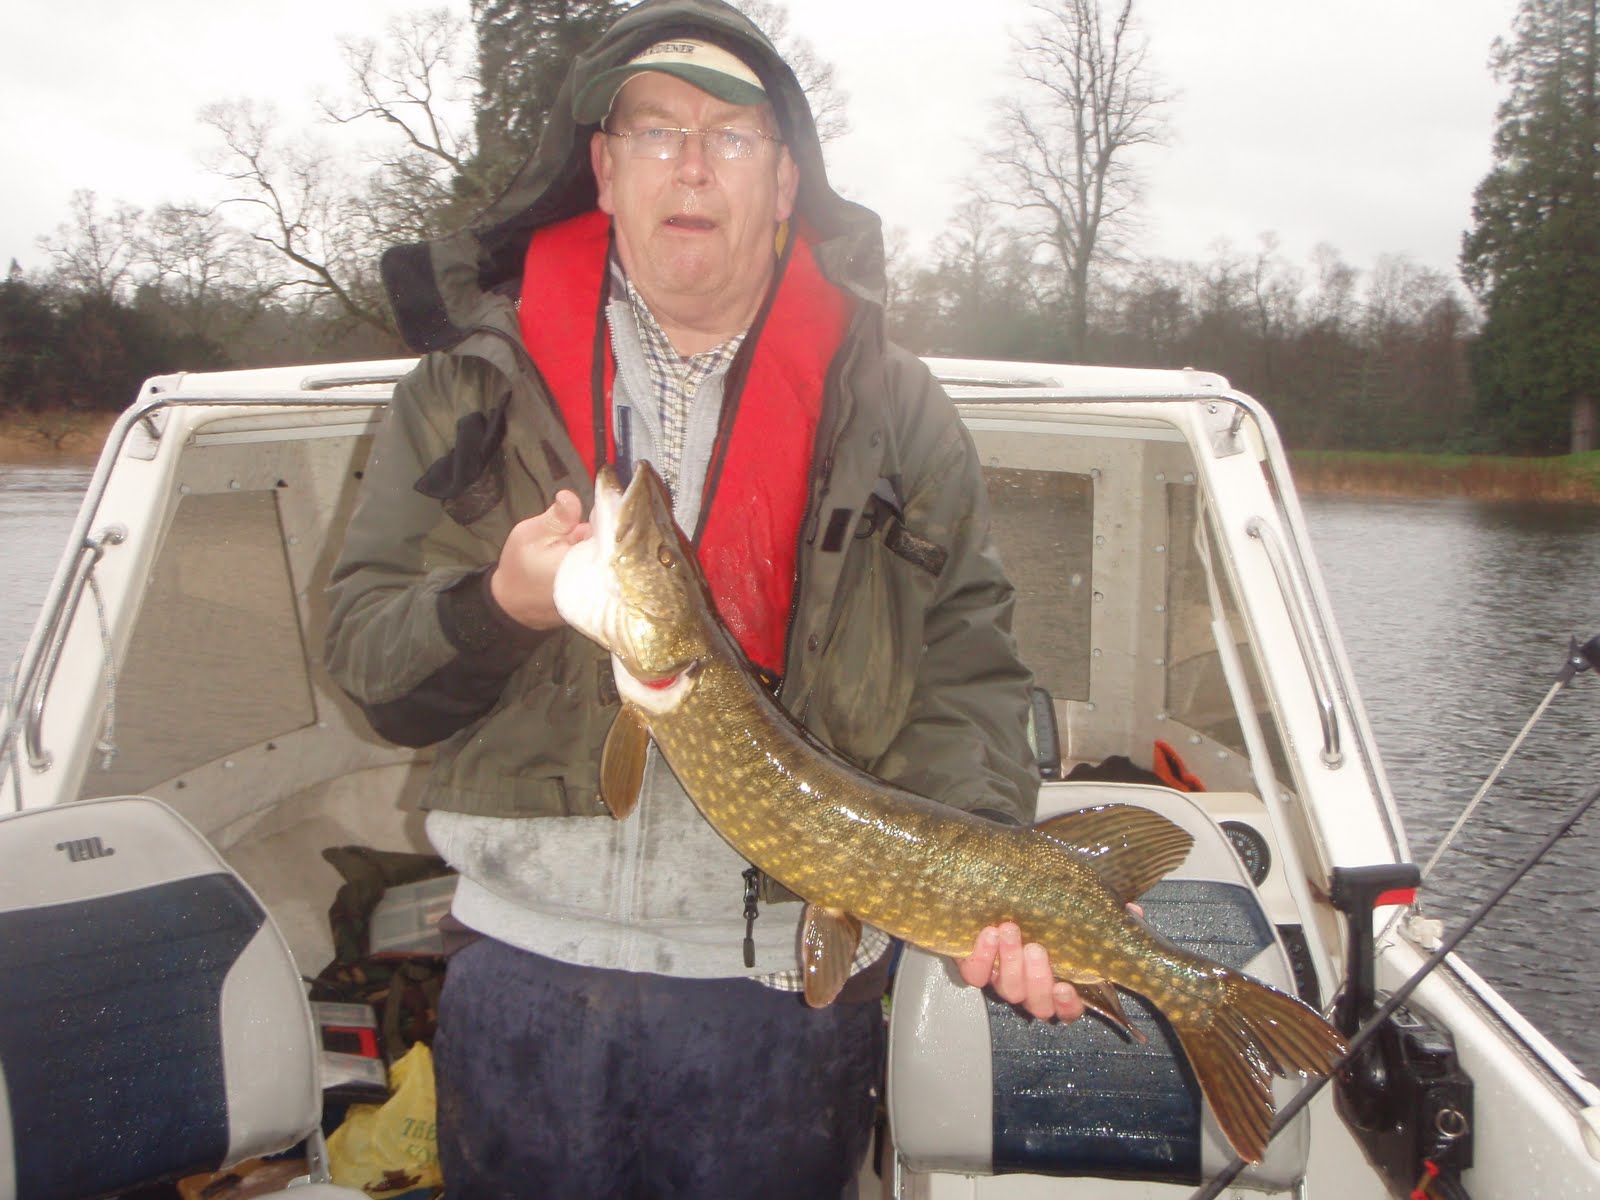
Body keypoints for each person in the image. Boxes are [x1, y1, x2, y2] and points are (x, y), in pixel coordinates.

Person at [324, 1, 1082, 1194]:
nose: (690, 163)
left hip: (781, 995)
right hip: (524, 978)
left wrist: (984, 885)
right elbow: (371, 662)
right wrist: (496, 606)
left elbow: (967, 676)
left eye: (730, 136)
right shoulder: (470, 386)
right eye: (655, 130)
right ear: (603, 170)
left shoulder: (895, 411)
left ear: (784, 182)